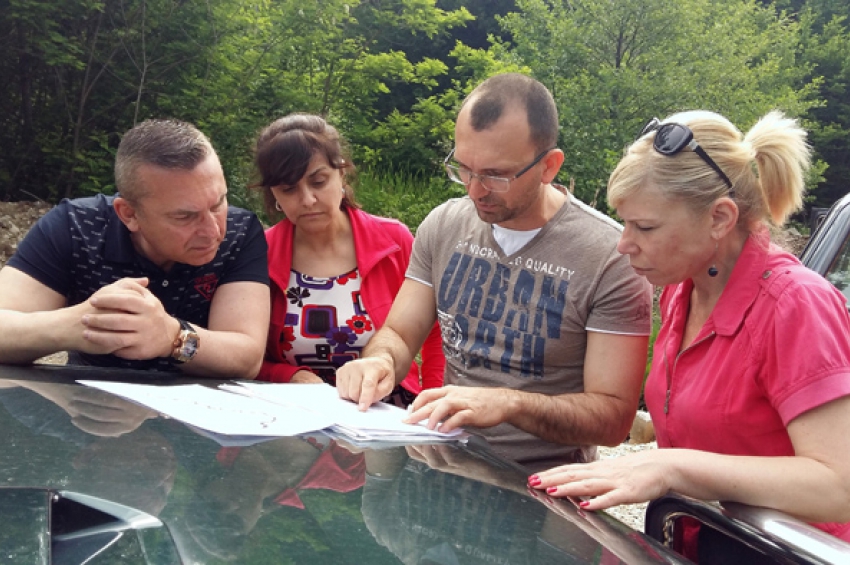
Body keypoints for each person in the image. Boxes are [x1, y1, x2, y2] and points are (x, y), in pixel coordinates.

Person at [529, 110, 850, 546]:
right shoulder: (682, 290)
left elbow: (839, 486)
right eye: (624, 223)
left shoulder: (796, 305)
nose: (624, 244)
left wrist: (671, 467)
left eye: (645, 227)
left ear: (719, 218)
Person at [337, 73, 653, 471]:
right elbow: (400, 334)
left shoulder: (611, 256)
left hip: (539, 485)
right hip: (441, 463)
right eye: (464, 169)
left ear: (549, 166)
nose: (474, 190)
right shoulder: (444, 225)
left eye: (495, 175)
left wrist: (509, 403)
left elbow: (612, 419)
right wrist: (380, 362)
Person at [0, 119, 270, 378]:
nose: (213, 231)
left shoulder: (240, 231)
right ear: (128, 214)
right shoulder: (75, 227)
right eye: (184, 216)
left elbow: (247, 360)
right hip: (86, 400)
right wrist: (78, 326)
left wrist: (172, 337)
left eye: (218, 204)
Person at [251, 113, 444, 406]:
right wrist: (288, 376)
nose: (307, 199)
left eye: (318, 182)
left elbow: (435, 333)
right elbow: (245, 353)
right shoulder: (260, 253)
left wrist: (432, 403)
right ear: (273, 194)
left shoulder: (393, 241)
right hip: (295, 413)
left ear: (341, 173)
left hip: (384, 412)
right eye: (289, 189)